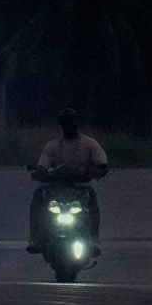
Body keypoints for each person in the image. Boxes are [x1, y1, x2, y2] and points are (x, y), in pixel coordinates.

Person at [27, 108, 108, 253]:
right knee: (39, 195)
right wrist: (39, 172)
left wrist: (96, 171)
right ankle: (35, 237)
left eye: (71, 122)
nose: (68, 125)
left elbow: (102, 163)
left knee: (92, 201)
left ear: (76, 123)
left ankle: (93, 238)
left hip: (81, 186)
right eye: (65, 122)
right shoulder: (53, 145)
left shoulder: (89, 143)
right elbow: (42, 165)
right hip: (56, 186)